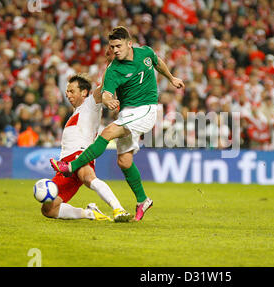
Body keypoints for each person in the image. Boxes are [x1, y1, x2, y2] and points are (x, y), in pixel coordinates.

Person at [50, 26, 185, 221]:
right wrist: (108, 101)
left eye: (118, 46)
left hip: (145, 108)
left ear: (130, 43)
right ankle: (142, 200)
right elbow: (105, 93)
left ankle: (71, 167)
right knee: (124, 161)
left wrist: (171, 78)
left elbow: (157, 62)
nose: (115, 50)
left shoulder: (145, 53)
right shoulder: (113, 69)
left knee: (107, 132)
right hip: (127, 114)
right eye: (112, 47)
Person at [43, 73, 132, 222]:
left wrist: (111, 61)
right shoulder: (74, 114)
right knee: (48, 209)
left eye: (72, 91)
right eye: (67, 91)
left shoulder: (91, 103)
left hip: (80, 154)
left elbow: (104, 84)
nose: (67, 94)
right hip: (65, 165)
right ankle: (90, 213)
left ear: (84, 92)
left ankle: (118, 209)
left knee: (88, 178)